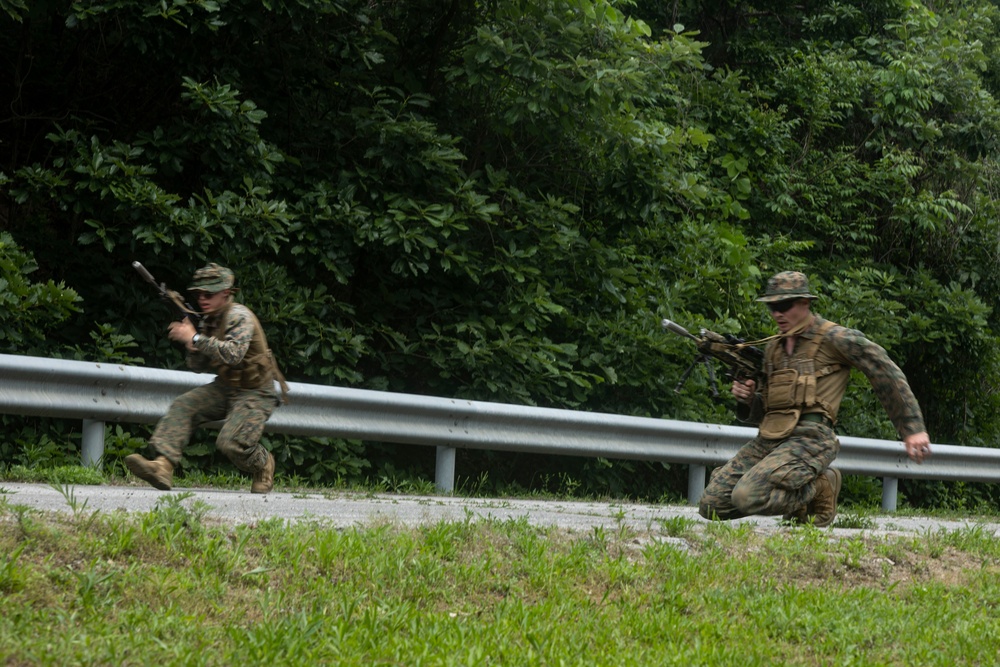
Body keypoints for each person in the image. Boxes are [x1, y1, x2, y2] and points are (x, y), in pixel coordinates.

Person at [698, 270, 931, 526]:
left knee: (746, 496)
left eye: (784, 306)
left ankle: (820, 486)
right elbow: (764, 411)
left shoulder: (834, 338)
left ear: (805, 303)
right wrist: (746, 399)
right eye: (773, 307)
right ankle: (806, 494)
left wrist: (911, 428)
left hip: (811, 439)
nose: (778, 313)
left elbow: (883, 369)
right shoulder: (774, 348)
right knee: (711, 505)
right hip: (771, 439)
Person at [125, 263, 288, 494]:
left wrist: (196, 338)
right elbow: (199, 367)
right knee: (184, 405)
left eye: (209, 293)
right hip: (225, 387)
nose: (202, 298)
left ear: (226, 293)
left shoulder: (239, 316)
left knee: (230, 443)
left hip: (255, 391)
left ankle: (263, 463)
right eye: (199, 293)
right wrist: (191, 346)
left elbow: (233, 355)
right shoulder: (207, 320)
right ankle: (162, 466)